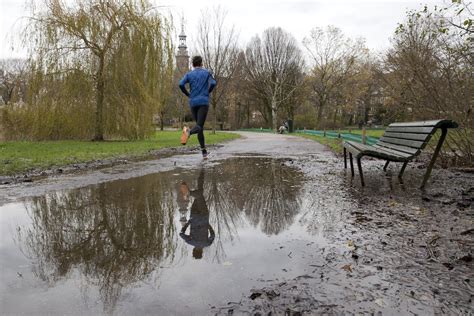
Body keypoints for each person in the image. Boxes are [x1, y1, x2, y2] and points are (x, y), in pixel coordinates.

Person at [179, 56, 217, 159]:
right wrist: (208, 92)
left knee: (199, 127)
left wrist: (188, 94)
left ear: (192, 64)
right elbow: (213, 83)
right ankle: (188, 133)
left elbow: (181, 84)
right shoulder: (206, 72)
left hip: (193, 103)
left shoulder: (189, 74)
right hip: (203, 102)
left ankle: (204, 152)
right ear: (201, 63)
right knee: (199, 126)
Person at [179, 168, 215, 259]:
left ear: (201, 252)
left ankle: (189, 193)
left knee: (199, 194)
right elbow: (181, 234)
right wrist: (188, 223)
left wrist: (208, 225)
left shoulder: (207, 243)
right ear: (194, 250)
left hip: (204, 216)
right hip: (194, 217)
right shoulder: (191, 242)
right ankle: (202, 171)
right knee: (199, 193)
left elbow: (213, 235)